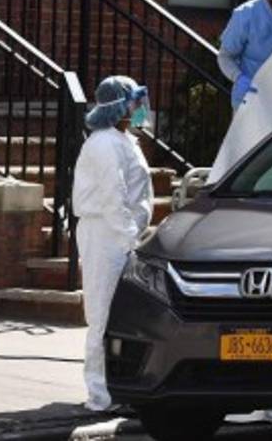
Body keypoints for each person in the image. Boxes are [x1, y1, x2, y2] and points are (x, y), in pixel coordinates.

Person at [72, 76, 155, 412]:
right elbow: (112, 197)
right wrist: (129, 238)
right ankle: (99, 394)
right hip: (105, 234)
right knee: (102, 313)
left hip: (118, 234)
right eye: (133, 103)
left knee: (120, 315)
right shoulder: (104, 144)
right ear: (119, 106)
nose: (138, 109)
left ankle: (118, 388)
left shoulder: (123, 140)